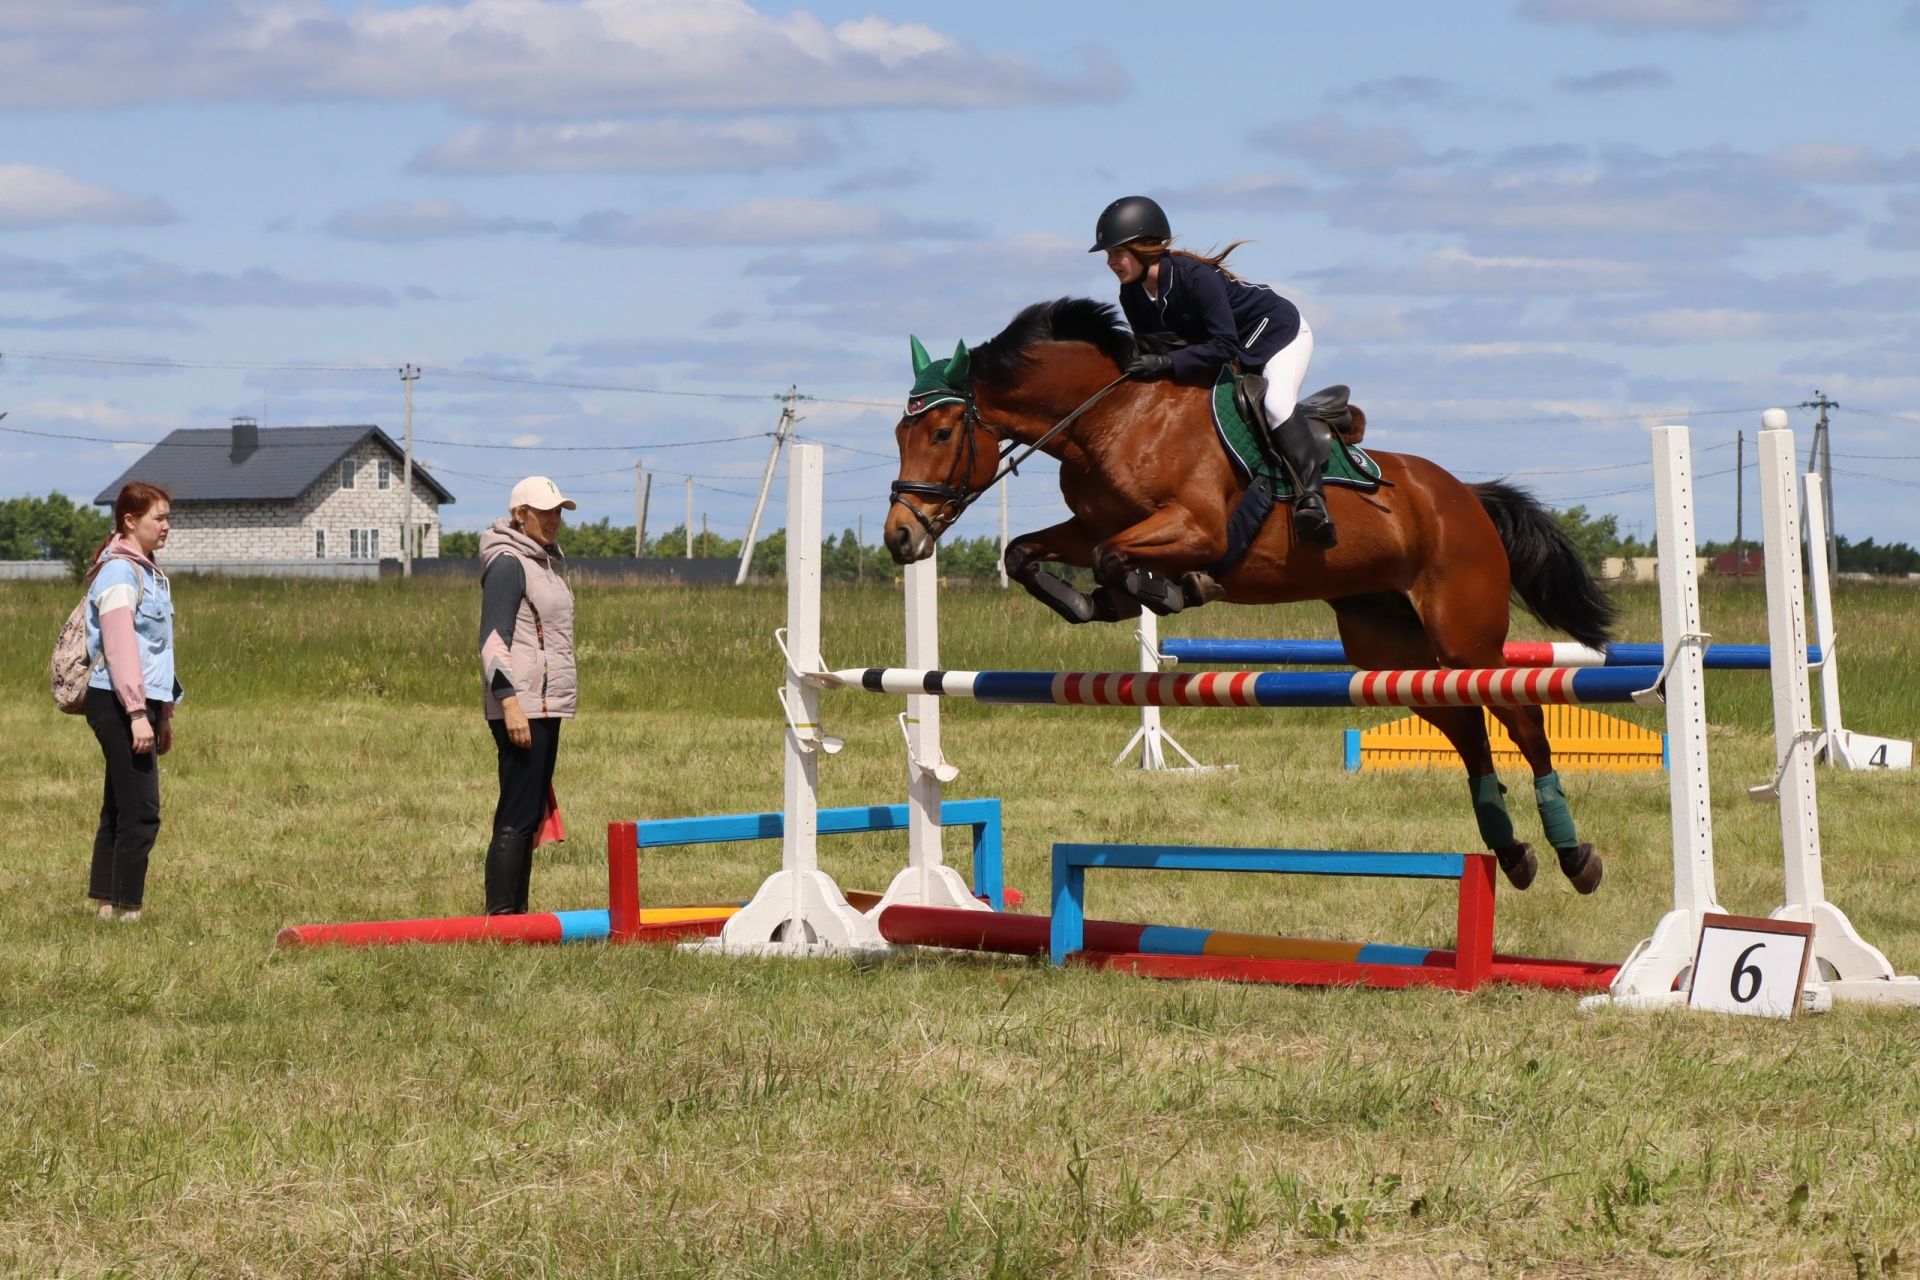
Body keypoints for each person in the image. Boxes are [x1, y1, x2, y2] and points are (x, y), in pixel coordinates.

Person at [1090, 194, 1337, 547]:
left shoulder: (1195, 278)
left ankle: (1312, 499)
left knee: (1277, 404)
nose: (1111, 262)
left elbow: (1224, 346)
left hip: (1278, 335)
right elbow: (1156, 346)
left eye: (1117, 252)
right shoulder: (1131, 293)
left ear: (1144, 247)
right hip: (1232, 350)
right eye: (1108, 255)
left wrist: (1164, 363)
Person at [477, 476, 577, 915]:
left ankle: (519, 916)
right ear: (521, 515)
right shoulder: (507, 563)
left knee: (531, 811)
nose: (555, 520)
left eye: (559, 511)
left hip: (545, 703)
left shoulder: (544, 563)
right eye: (546, 511)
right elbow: (492, 641)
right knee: (517, 813)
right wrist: (510, 703)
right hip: (521, 706)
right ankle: (502, 919)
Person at [83, 481, 181, 923]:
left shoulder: (148, 571)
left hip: (139, 703)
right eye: (158, 518)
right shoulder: (120, 573)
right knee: (141, 811)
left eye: (167, 517)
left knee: (121, 804)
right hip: (118, 700)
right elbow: (122, 649)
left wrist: (162, 714)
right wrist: (138, 713)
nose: (166, 526)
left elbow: (155, 652)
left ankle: (107, 905)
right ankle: (126, 910)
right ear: (129, 520)